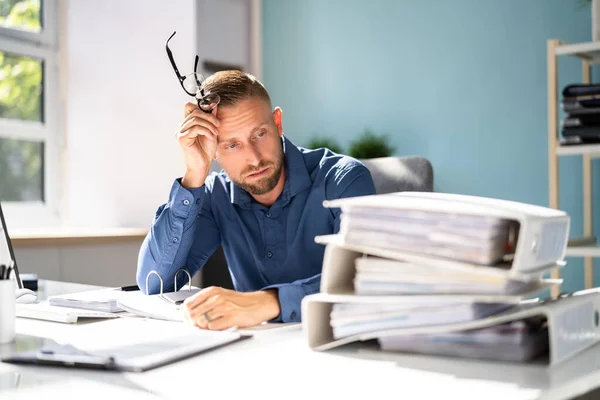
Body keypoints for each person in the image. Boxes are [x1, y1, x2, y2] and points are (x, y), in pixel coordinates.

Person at [136, 70, 376, 330]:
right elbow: (154, 283)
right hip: (252, 350)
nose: (253, 158)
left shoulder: (343, 179)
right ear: (213, 148)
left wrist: (268, 302)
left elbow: (365, 276)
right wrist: (194, 174)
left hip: (339, 345)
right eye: (231, 145)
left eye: (259, 134)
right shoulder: (216, 196)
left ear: (278, 123)